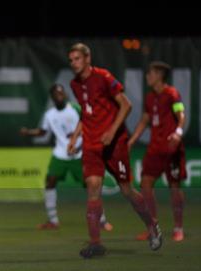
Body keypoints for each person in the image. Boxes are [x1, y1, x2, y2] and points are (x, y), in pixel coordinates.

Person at [66, 43, 161, 258]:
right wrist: (74, 137)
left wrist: (111, 131)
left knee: (126, 190)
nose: (74, 63)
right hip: (91, 143)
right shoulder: (74, 84)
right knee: (93, 185)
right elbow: (86, 113)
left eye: (77, 58)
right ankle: (96, 243)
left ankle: (152, 225)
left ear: (87, 58)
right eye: (71, 60)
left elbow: (126, 105)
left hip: (114, 143)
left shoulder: (103, 77)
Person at [20, 84, 112, 231]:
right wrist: (29, 132)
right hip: (60, 153)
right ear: (52, 97)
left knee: (91, 186)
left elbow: (90, 124)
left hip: (80, 153)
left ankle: (101, 220)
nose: (60, 96)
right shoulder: (49, 115)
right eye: (57, 94)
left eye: (62, 93)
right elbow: (43, 132)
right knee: (50, 181)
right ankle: (53, 220)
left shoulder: (75, 109)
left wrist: (83, 144)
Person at [128, 61, 186, 242]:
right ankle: (153, 226)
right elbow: (144, 121)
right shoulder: (149, 97)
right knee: (145, 184)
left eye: (150, 73)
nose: (147, 76)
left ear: (159, 75)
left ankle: (178, 228)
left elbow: (181, 115)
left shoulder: (172, 94)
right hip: (154, 148)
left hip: (171, 148)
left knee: (174, 187)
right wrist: (131, 141)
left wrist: (177, 133)